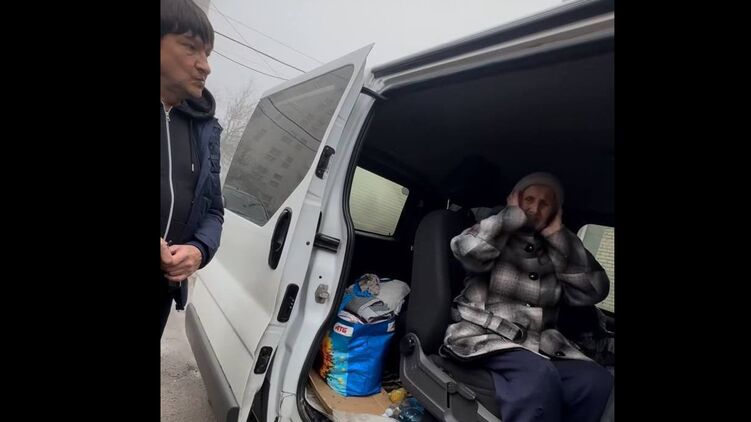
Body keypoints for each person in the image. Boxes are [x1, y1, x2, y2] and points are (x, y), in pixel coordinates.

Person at [444, 172, 613, 422]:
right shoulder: (494, 232)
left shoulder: (559, 248)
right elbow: (465, 249)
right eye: (529, 199)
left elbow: (595, 289)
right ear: (515, 200)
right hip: (485, 335)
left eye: (545, 204)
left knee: (595, 381)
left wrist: (558, 235)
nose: (535, 208)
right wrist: (509, 217)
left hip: (540, 344)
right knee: (538, 378)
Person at [160, 0, 223, 338]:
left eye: (207, 53)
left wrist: (199, 249)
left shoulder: (204, 129)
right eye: (191, 47)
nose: (205, 66)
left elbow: (214, 210)